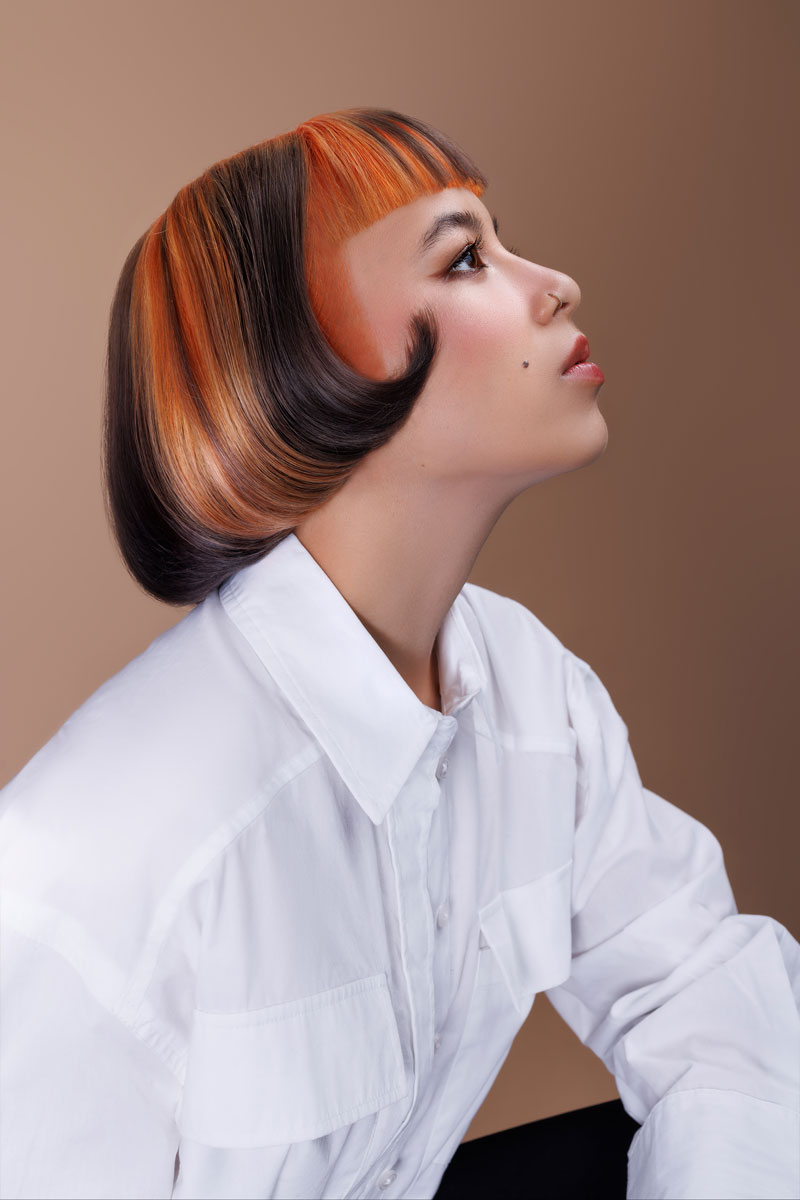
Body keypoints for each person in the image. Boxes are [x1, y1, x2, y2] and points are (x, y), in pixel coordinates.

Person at [0, 107, 797, 1200]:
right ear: (299, 366)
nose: (555, 283)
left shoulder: (529, 695)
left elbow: (705, 992)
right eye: (464, 258)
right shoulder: (101, 870)